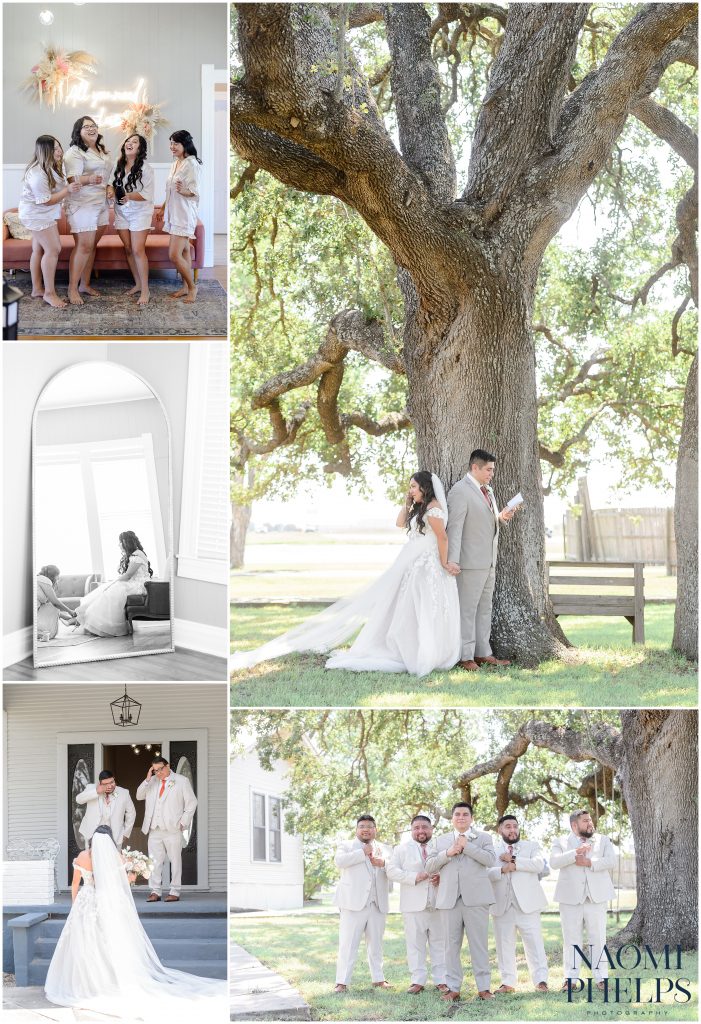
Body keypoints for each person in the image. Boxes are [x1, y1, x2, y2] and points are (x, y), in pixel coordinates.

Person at [230, 471, 461, 676]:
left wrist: (443, 563)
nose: (410, 490)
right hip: (410, 564)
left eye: (413, 486)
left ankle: (426, 651)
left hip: (426, 566)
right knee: (405, 608)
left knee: (423, 608)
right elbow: (400, 523)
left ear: (425, 487)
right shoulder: (418, 508)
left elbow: (442, 538)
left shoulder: (434, 510)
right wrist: (407, 501)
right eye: (410, 486)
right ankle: (406, 646)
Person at [44, 825, 226, 1021]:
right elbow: (124, 882)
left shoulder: (82, 857)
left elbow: (74, 884)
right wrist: (134, 873)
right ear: (110, 841)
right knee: (110, 940)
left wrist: (75, 905)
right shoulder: (117, 857)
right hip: (107, 902)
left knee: (85, 942)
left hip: (86, 901)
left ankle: (86, 983)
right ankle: (110, 979)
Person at [446, 449, 516, 671]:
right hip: (468, 563)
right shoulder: (460, 491)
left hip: (489, 562)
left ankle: (483, 653)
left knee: (485, 609)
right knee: (467, 610)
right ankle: (465, 656)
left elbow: (485, 521)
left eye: (493, 469)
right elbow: (455, 529)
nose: (491, 474)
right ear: (474, 467)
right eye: (488, 469)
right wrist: (453, 560)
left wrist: (501, 517)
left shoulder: (488, 491)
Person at [425, 802, 496, 1001]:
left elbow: (491, 860)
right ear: (453, 818)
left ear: (471, 818)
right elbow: (429, 865)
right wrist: (448, 853)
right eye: (457, 814)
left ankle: (484, 988)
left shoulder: (484, 837)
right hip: (449, 899)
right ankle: (453, 988)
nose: (461, 817)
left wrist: (468, 846)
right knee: (450, 945)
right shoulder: (441, 840)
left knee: (479, 945)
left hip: (477, 900)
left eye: (465, 814)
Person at [550, 809, 616, 991]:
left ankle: (601, 978)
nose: (590, 823)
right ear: (574, 825)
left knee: (598, 938)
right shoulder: (561, 842)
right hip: (570, 898)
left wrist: (591, 863)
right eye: (585, 821)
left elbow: (611, 861)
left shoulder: (603, 840)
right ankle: (570, 979)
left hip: (597, 897)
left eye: (590, 820)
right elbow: (554, 862)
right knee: (571, 939)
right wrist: (574, 853)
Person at [386, 815, 447, 995]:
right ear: (412, 830)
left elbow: (453, 869)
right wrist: (414, 877)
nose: (421, 831)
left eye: (425, 827)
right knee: (415, 944)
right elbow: (391, 871)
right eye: (417, 828)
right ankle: (417, 981)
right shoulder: (401, 849)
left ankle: (441, 980)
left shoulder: (441, 847)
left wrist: (443, 879)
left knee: (440, 944)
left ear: (431, 829)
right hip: (413, 905)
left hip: (439, 904)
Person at [488, 814, 549, 994]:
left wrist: (514, 861)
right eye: (508, 826)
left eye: (515, 826)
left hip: (527, 904)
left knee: (535, 943)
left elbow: (539, 865)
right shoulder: (491, 850)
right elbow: (483, 873)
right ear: (500, 830)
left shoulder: (531, 846)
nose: (512, 829)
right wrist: (501, 869)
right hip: (501, 904)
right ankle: (508, 982)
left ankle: (541, 981)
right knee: (504, 944)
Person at [19, 136, 81, 309]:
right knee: (54, 249)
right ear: (45, 151)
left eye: (59, 147)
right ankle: (49, 293)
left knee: (38, 249)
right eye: (55, 149)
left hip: (41, 213)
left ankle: (37, 289)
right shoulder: (38, 173)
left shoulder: (50, 167)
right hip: (37, 214)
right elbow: (45, 200)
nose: (60, 151)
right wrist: (68, 190)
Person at [333, 814, 392, 993]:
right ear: (357, 830)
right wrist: (362, 853)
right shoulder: (346, 846)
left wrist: (384, 863)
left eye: (369, 826)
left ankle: (378, 979)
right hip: (353, 904)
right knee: (348, 943)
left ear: (375, 829)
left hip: (377, 903)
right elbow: (339, 861)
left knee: (376, 944)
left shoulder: (385, 848)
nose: (366, 829)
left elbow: (393, 868)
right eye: (362, 826)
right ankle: (342, 982)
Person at [63, 116, 112, 305]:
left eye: (93, 126)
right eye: (86, 127)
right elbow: (71, 179)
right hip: (82, 204)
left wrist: (108, 187)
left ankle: (85, 284)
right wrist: (88, 179)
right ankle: (72, 289)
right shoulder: (74, 152)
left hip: (100, 203)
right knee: (83, 246)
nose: (91, 129)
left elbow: (106, 176)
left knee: (91, 246)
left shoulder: (101, 150)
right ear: (79, 131)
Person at [136, 755, 197, 903]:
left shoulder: (182, 781)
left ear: (168, 766)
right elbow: (139, 796)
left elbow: (192, 803)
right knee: (154, 862)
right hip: (154, 829)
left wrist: (183, 822)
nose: (158, 773)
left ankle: (175, 891)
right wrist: (148, 779)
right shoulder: (152, 782)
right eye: (155, 770)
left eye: (160, 769)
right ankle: (155, 891)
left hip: (173, 829)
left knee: (175, 861)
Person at [112, 134, 155, 305]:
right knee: (129, 249)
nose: (129, 143)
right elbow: (111, 184)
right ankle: (137, 284)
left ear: (140, 148)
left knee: (138, 250)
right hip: (121, 211)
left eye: (134, 142)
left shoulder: (146, 168)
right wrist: (110, 191)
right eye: (127, 141)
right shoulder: (118, 164)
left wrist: (128, 196)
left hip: (140, 212)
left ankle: (146, 290)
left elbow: (147, 194)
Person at [162, 129, 201, 303]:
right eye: (171, 143)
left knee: (174, 255)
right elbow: (171, 189)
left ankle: (193, 288)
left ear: (185, 144)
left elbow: (195, 193)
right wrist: (163, 207)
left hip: (184, 214)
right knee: (184, 250)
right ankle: (186, 287)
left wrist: (184, 191)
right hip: (174, 212)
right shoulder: (176, 163)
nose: (172, 147)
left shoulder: (191, 164)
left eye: (175, 143)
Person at [76, 770, 136, 850]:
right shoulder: (91, 788)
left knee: (113, 861)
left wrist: (125, 833)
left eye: (112, 782)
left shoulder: (123, 793)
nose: (110, 786)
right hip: (91, 834)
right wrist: (96, 791)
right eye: (106, 784)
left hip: (115, 835)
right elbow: (79, 799)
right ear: (100, 783)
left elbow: (131, 813)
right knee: (92, 861)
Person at [36, 565, 77, 638]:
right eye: (58, 575)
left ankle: (71, 621)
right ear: (53, 575)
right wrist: (70, 611)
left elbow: (49, 609)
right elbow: (55, 603)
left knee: (48, 605)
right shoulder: (44, 580)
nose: (58, 578)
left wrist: (68, 618)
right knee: (49, 634)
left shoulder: (37, 579)